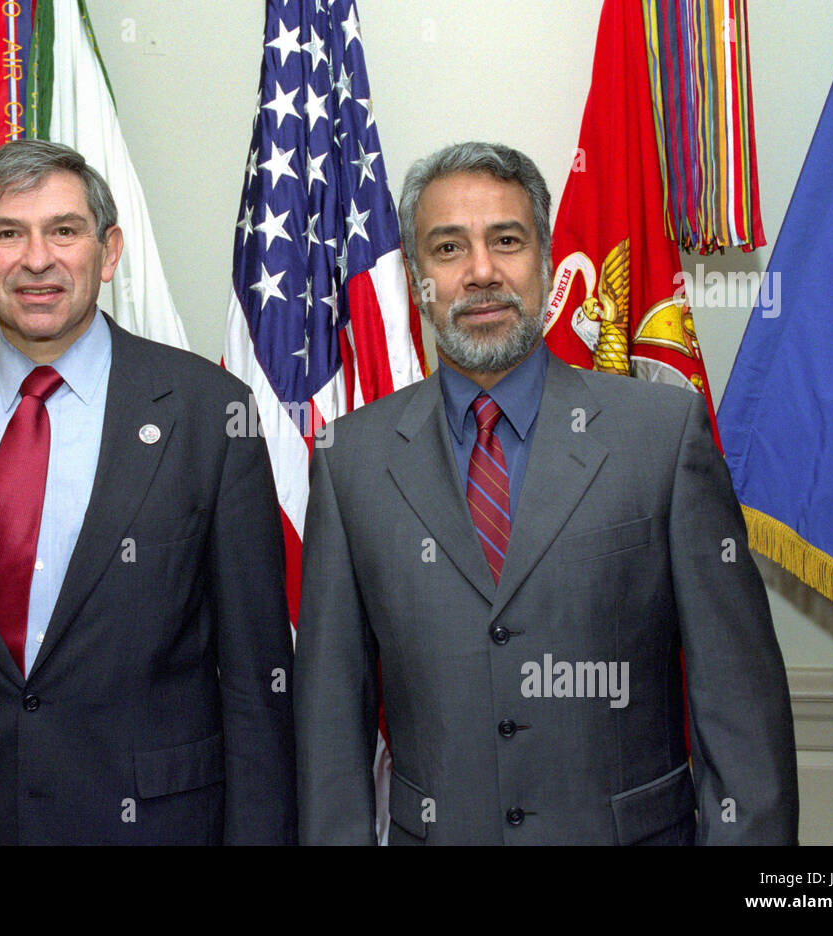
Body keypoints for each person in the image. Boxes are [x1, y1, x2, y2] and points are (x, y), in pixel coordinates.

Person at [294, 141, 798, 845]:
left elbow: (739, 710)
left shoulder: (662, 436)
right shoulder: (351, 462)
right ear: (417, 279)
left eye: (507, 240)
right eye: (447, 248)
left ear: (548, 261)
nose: (481, 272)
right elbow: (331, 727)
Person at [0, 140, 296, 845]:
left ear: (108, 253)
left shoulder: (209, 414)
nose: (37, 259)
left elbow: (259, 686)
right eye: (8, 233)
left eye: (64, 231)